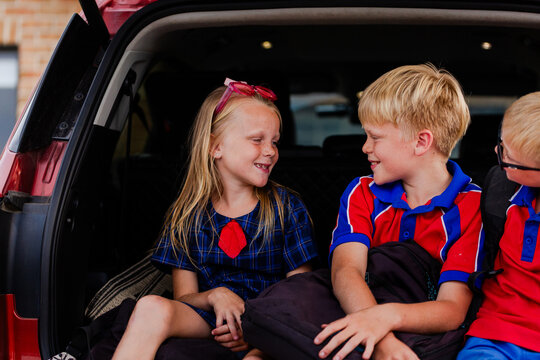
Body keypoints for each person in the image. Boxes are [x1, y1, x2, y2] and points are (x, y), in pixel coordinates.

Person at [111, 78, 318, 360]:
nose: (270, 151)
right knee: (149, 307)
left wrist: (260, 331)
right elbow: (183, 298)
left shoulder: (286, 208)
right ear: (215, 147)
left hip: (271, 322)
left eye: (274, 142)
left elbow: (301, 294)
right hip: (210, 319)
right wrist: (214, 295)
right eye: (257, 140)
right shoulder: (187, 215)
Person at [312, 64, 484, 360]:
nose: (365, 147)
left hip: (423, 331)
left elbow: (453, 310)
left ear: (421, 142)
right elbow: (346, 271)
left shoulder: (472, 207)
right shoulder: (362, 192)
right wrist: (382, 341)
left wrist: (384, 320)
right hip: (356, 314)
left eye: (375, 137)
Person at [457, 92, 540, 359]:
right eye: (500, 142)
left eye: (506, 155)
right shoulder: (500, 193)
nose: (497, 152)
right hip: (494, 334)